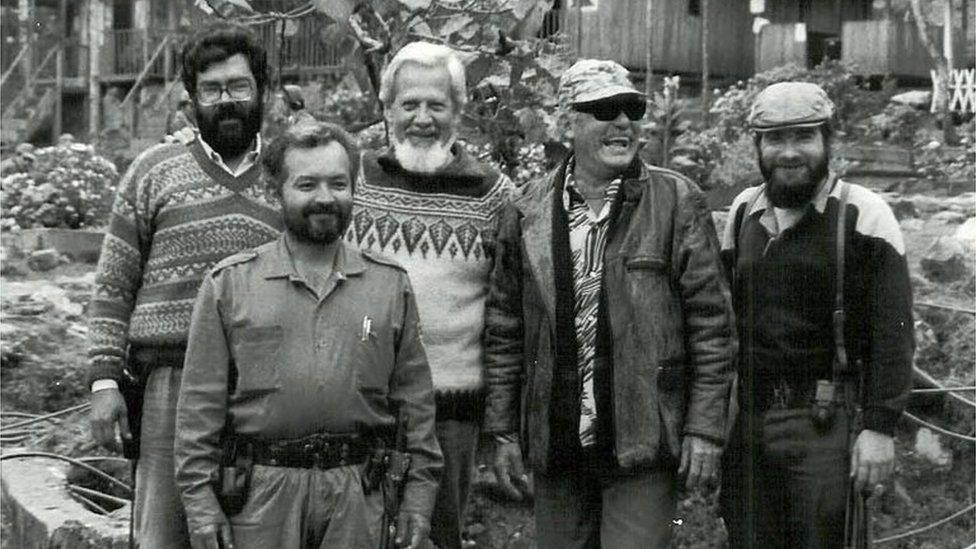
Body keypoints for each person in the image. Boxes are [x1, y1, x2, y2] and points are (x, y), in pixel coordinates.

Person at [484, 59, 736, 549]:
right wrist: (503, 432)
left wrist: (705, 429)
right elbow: (504, 329)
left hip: (641, 439)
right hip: (557, 443)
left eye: (631, 109)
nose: (622, 122)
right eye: (604, 110)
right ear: (566, 124)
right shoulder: (526, 209)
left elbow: (713, 327)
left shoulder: (676, 200)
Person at [175, 121, 441, 549]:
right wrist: (201, 506)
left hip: (359, 497)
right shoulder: (229, 285)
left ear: (355, 188)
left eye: (338, 183)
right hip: (260, 501)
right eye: (306, 184)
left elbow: (416, 407)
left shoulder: (389, 285)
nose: (324, 198)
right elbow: (198, 413)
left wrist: (418, 500)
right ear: (274, 191)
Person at [86, 21, 280, 548]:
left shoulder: (290, 175)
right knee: (164, 532)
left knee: (253, 531)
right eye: (212, 90)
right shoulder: (153, 171)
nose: (227, 101)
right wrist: (104, 381)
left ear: (262, 89)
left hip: (262, 385)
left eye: (239, 87)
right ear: (191, 99)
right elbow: (113, 283)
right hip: (169, 380)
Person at [718, 82, 914, 548]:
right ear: (758, 146)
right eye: (775, 139)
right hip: (750, 422)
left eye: (803, 137)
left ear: (828, 141)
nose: (789, 153)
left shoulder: (864, 216)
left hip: (826, 422)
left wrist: (880, 427)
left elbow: (895, 332)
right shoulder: (744, 213)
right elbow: (724, 322)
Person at [346, 41, 515, 549]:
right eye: (409, 104)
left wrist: (500, 421)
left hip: (453, 413)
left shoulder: (493, 193)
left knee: (437, 536)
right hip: (360, 404)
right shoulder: (355, 181)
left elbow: (508, 311)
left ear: (458, 111)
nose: (422, 118)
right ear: (388, 108)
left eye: (436, 105)